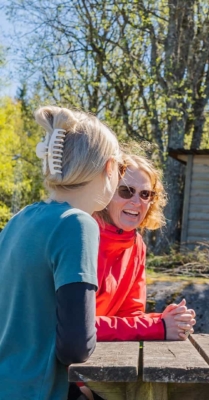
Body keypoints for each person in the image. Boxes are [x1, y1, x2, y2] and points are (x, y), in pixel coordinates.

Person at [0, 106, 123, 400]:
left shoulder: (19, 219)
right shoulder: (77, 224)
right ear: (109, 168)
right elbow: (76, 347)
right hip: (40, 391)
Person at [93, 153, 196, 341]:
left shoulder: (136, 245)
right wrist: (158, 326)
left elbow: (130, 317)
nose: (136, 202)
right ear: (105, 193)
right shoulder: (80, 237)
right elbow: (75, 326)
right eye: (126, 191)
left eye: (145, 194)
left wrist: (169, 321)